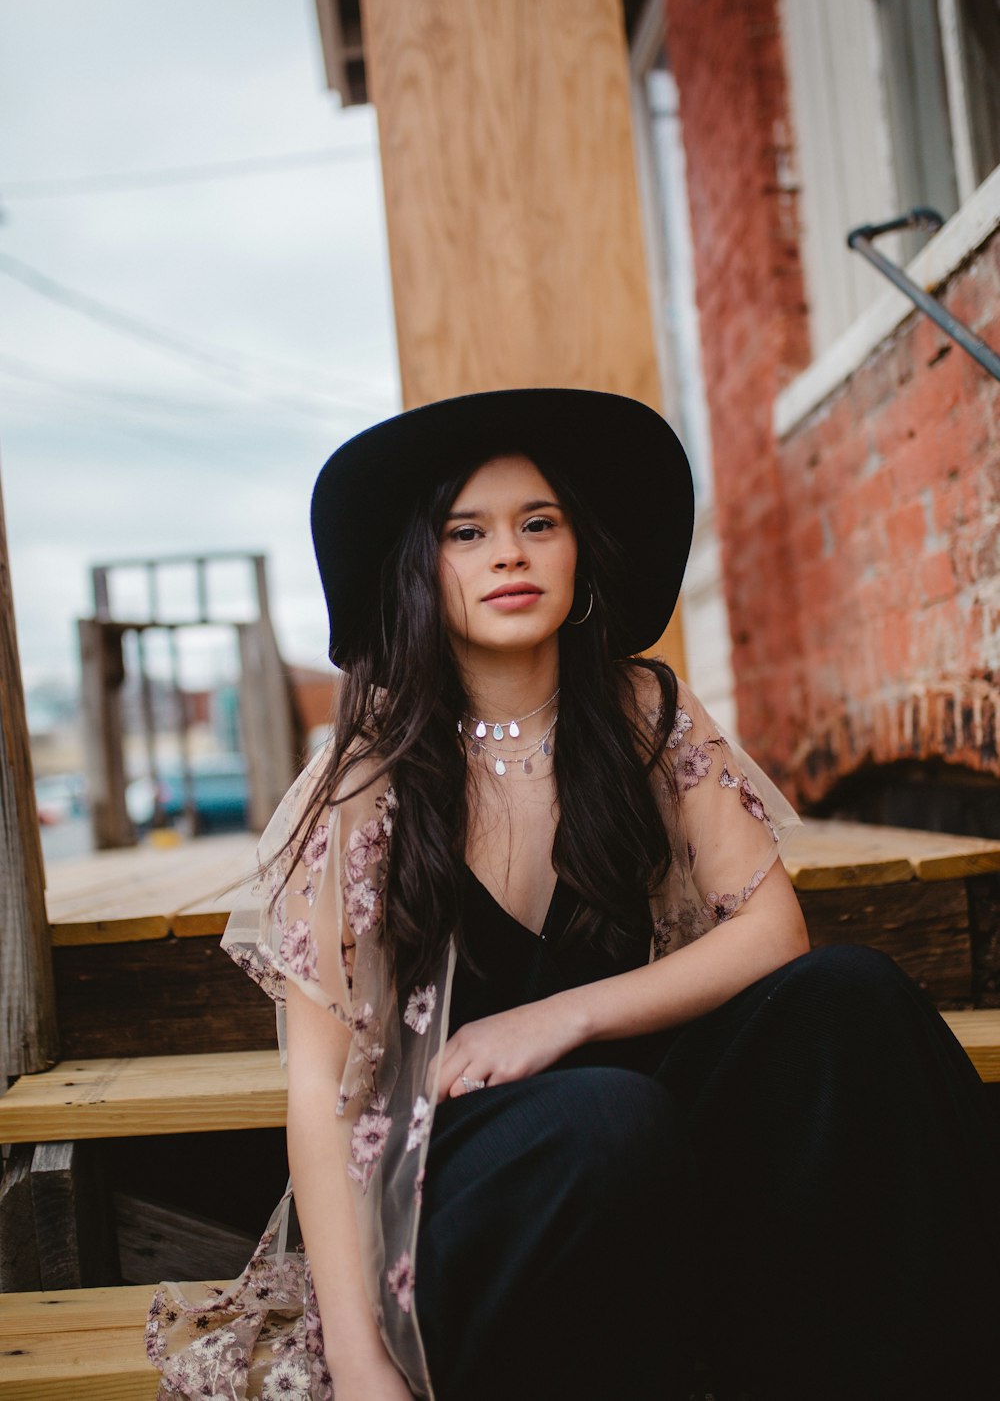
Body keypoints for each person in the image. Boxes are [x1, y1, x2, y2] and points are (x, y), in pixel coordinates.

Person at [146, 388, 1000, 1401]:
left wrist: (562, 1016)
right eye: (468, 533)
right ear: (422, 571)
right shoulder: (367, 781)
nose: (509, 554)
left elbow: (773, 933)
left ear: (577, 552)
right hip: (464, 1178)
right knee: (606, 1117)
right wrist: (364, 1362)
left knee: (851, 995)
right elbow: (320, 1093)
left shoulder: (641, 714)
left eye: (536, 524)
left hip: (640, 1118)